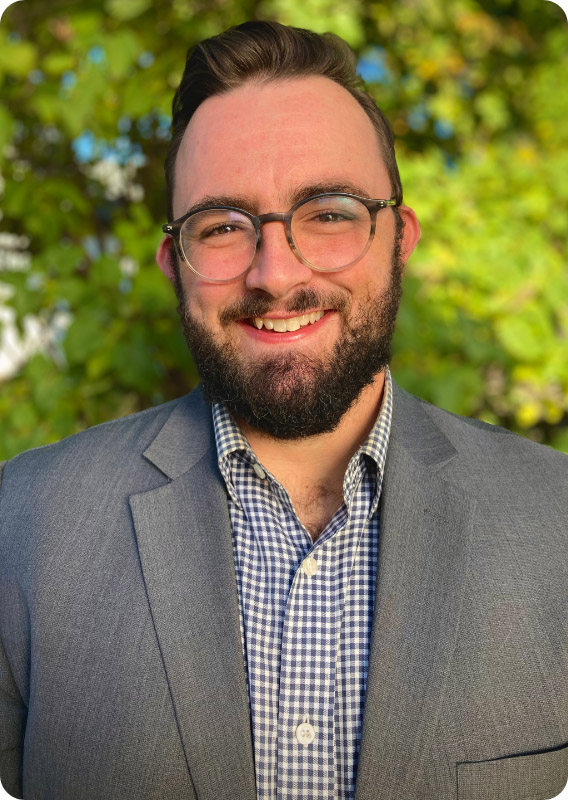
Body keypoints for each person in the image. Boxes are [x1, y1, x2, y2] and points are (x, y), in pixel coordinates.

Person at [0, 20, 566, 800]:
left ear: (397, 237)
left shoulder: (558, 525)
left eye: (328, 212)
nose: (276, 273)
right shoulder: (19, 529)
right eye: (223, 226)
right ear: (175, 263)